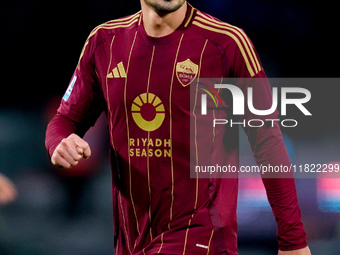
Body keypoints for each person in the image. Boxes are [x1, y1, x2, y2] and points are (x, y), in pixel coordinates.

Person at [45, 0, 311, 254]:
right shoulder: (104, 42)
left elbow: (269, 144)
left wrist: (293, 240)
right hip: (131, 240)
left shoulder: (226, 43)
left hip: (203, 238)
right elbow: (65, 120)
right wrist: (59, 142)